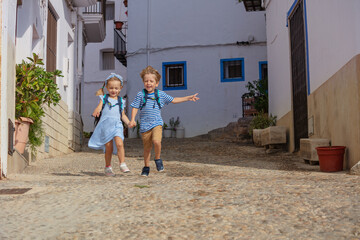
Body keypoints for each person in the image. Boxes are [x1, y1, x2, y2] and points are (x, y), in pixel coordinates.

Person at [128, 66, 199, 176]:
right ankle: (146, 167)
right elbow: (135, 107)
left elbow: (174, 100)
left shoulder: (160, 94)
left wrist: (188, 98)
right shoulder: (140, 95)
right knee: (147, 149)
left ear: (156, 83)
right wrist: (132, 120)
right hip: (145, 126)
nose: (149, 83)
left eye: (151, 81)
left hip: (157, 123)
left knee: (157, 141)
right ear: (143, 82)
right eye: (146, 81)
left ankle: (157, 158)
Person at [88, 73, 131, 177]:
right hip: (106, 126)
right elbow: (99, 107)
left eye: (116, 88)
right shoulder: (104, 98)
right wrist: (97, 110)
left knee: (120, 143)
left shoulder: (121, 101)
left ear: (120, 88)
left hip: (117, 125)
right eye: (111, 88)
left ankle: (122, 163)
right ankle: (108, 167)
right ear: (107, 87)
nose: (113, 90)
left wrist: (129, 122)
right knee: (109, 148)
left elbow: (123, 115)